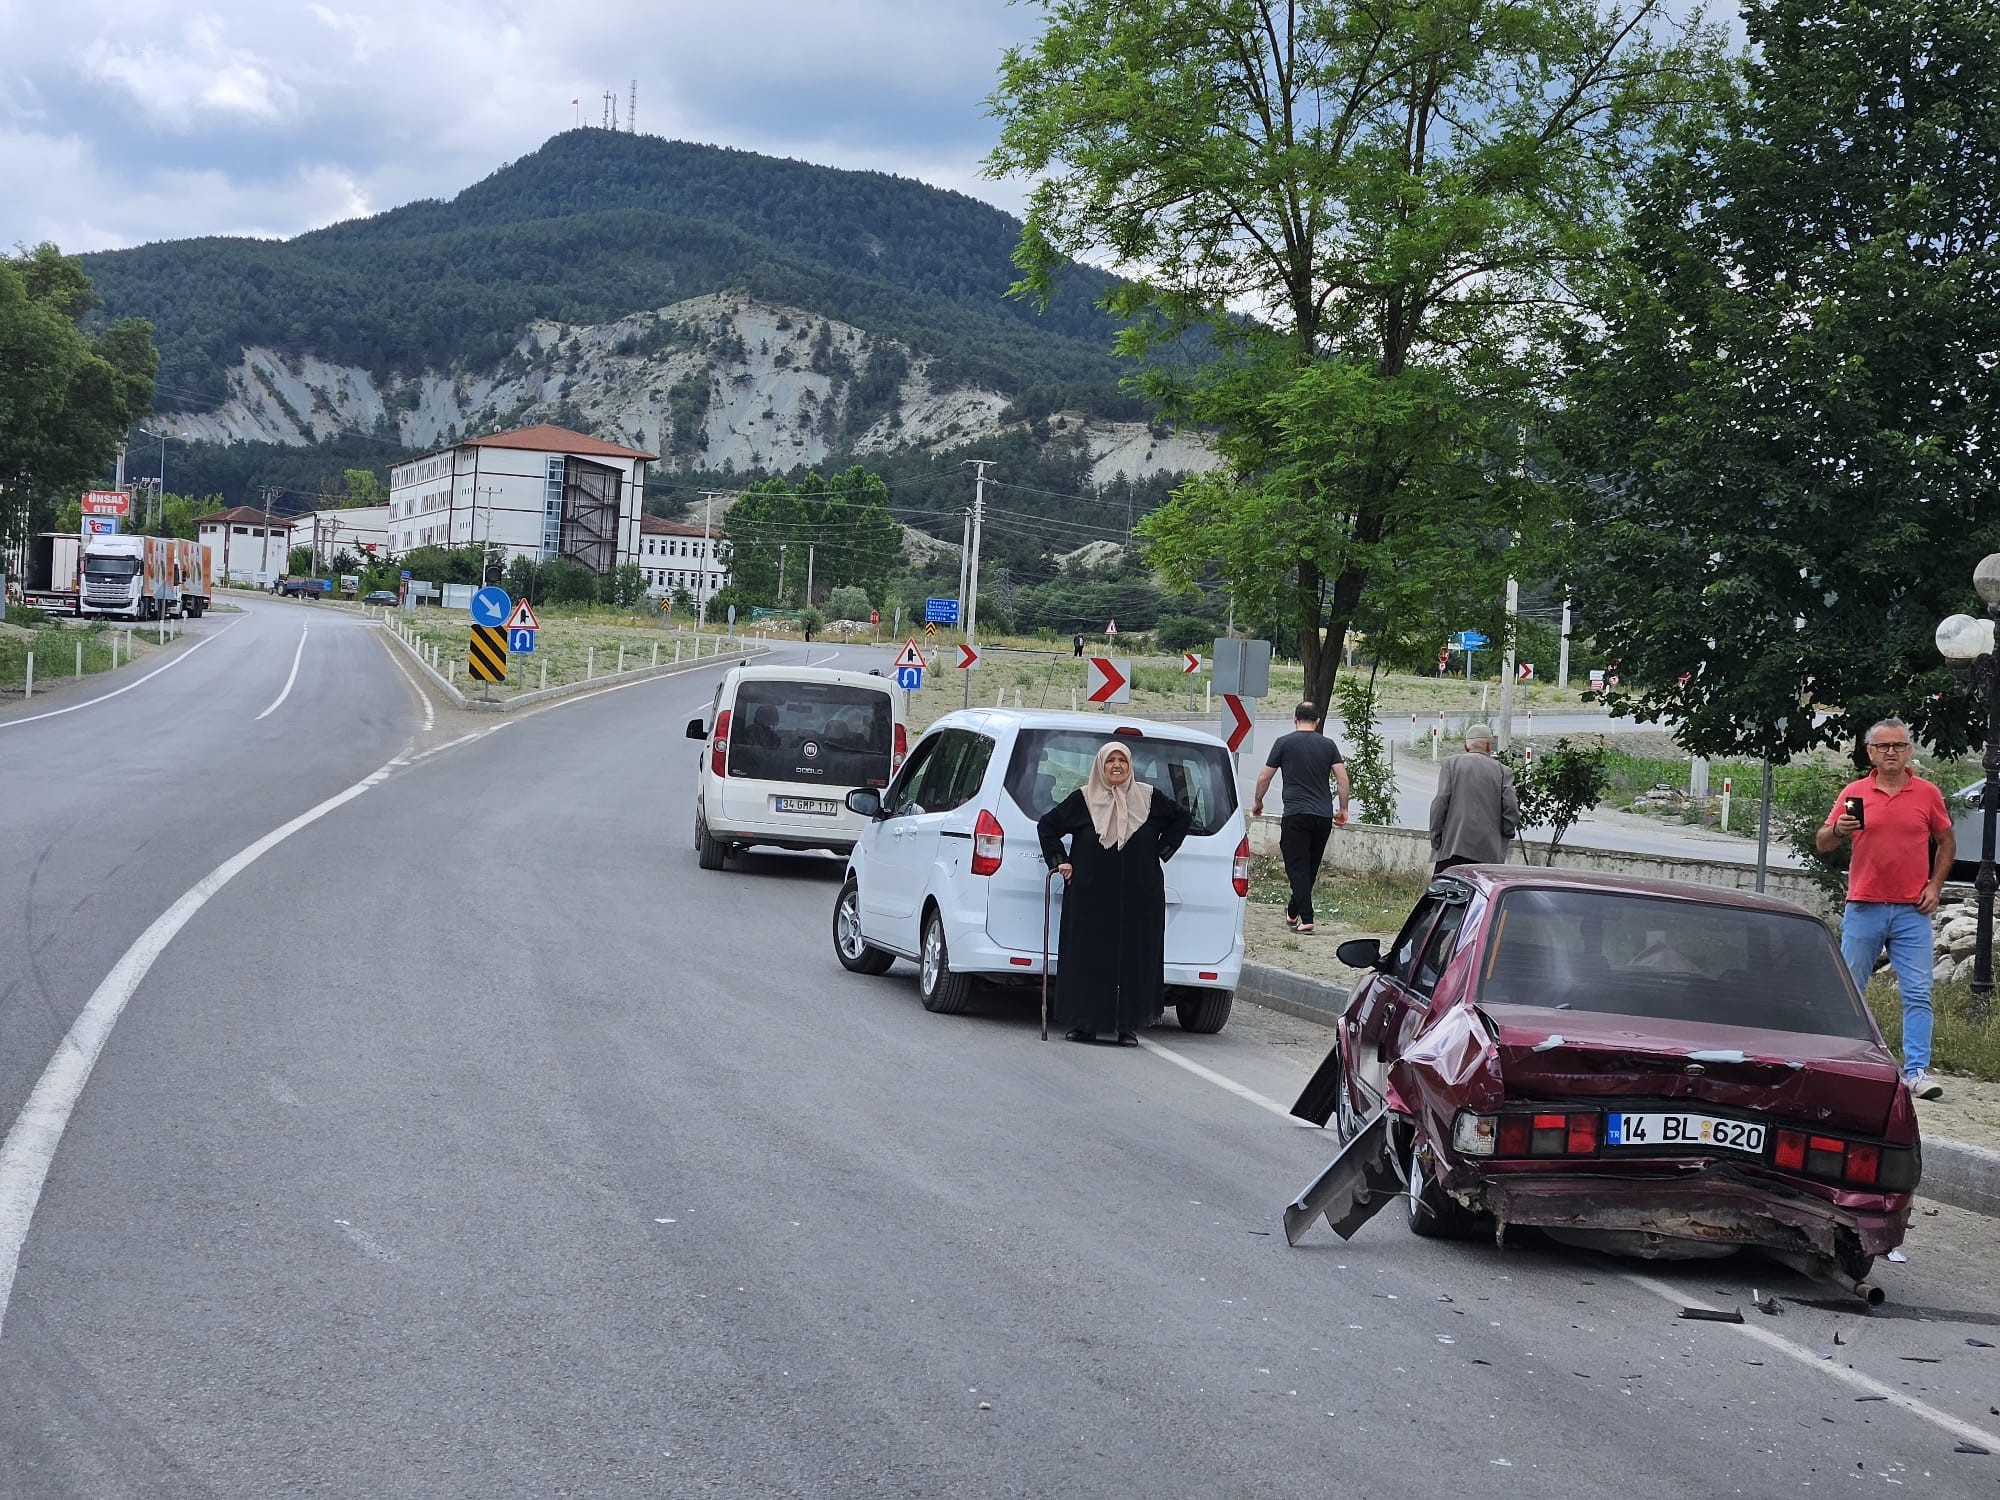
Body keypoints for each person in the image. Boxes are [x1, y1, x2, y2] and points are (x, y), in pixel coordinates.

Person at [1817, 717, 1955, 1099]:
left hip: (1912, 909)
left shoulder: (1927, 793)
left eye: (1898, 745)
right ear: (1870, 753)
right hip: (1864, 905)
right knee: (1850, 990)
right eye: (1883, 747)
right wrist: (1839, 830)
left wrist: (1935, 885)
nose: (1891, 752)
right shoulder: (1856, 792)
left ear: (1909, 750)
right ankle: (1843, 1061)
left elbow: (1946, 842)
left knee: (1917, 991)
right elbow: (1824, 844)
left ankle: (1916, 1071)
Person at [1038, 741, 1193, 1046]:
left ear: (1129, 765)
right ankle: (1084, 1024)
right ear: (1101, 766)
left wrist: (1163, 850)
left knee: (1133, 959)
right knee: (1088, 957)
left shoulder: (1148, 798)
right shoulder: (1084, 799)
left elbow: (1182, 819)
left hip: (1138, 895)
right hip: (1090, 896)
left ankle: (1128, 1027)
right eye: (1111, 761)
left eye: (1122, 760)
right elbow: (1048, 826)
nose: (1117, 766)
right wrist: (1061, 861)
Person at [1251, 702, 1350, 933]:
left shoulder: (1283, 743)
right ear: (1317, 720)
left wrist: (1258, 801)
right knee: (1309, 868)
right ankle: (1293, 911)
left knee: (1297, 867)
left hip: (1296, 814)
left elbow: (1264, 777)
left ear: (1295, 719)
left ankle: (1307, 918)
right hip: (1322, 816)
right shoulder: (1328, 745)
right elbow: (1342, 779)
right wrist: (1343, 808)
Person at [1429, 723, 1519, 873]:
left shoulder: (1451, 764)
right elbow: (1511, 808)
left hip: (1453, 847)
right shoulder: (1503, 771)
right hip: (1488, 853)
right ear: (1489, 747)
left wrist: (1436, 837)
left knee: (1444, 893)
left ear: (1466, 746)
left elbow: (1440, 802)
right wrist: (1506, 833)